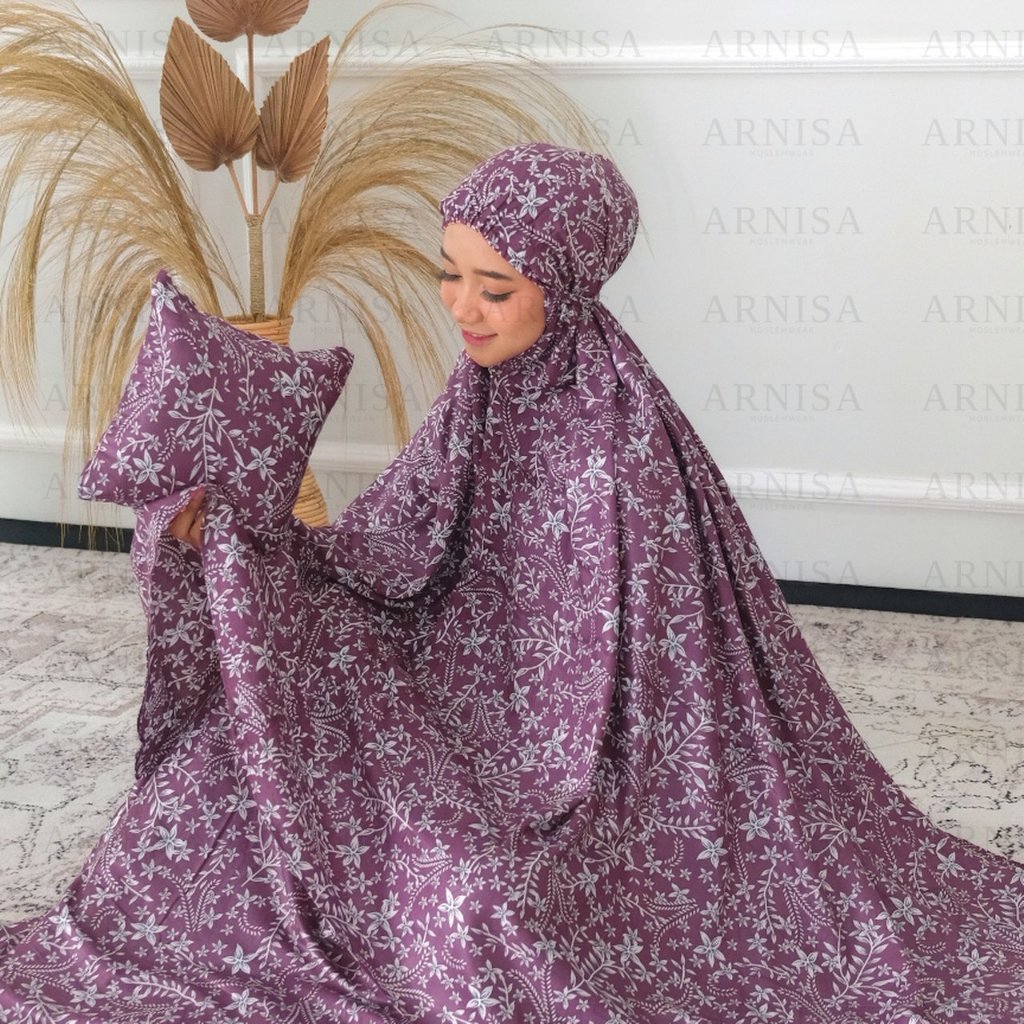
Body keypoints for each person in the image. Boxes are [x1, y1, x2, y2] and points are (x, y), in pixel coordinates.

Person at [3, 142, 1023, 1023]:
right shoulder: (480, 393)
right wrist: (238, 538)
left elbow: (606, 691)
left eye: (494, 289)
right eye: (450, 276)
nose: (462, 308)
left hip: (563, 762)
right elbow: (389, 550)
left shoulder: (619, 449)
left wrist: (485, 773)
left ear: (564, 286)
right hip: (449, 695)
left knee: (478, 896)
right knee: (229, 761)